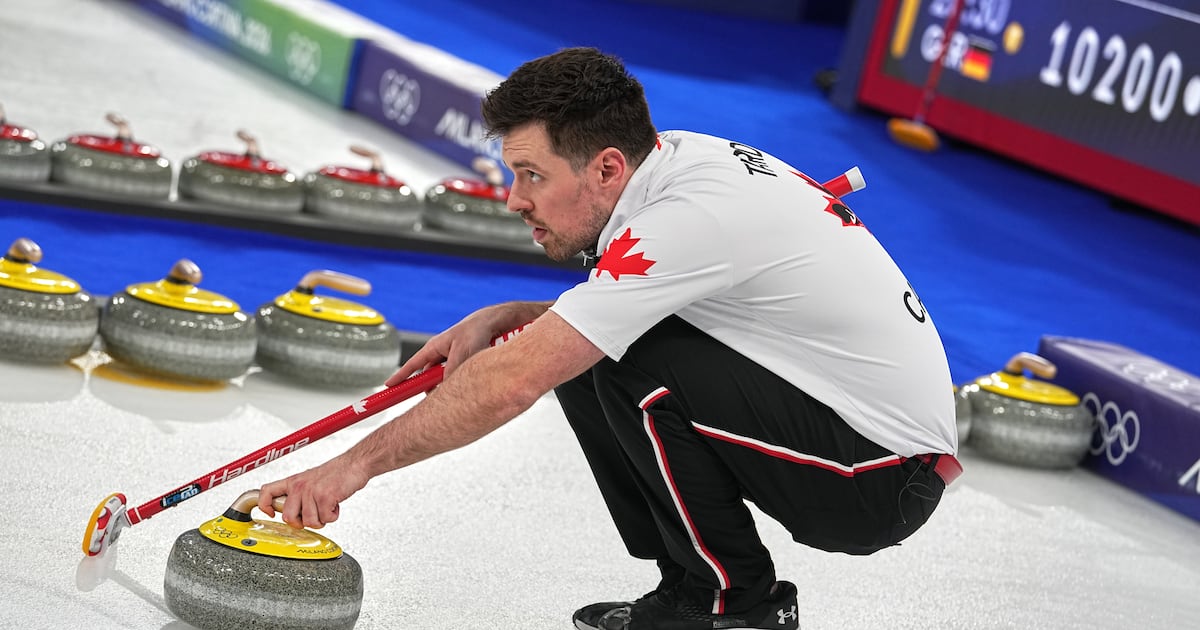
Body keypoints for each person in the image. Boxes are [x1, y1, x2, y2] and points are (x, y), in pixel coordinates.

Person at [258, 46, 960, 630]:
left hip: (876, 479)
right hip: (854, 434)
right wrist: (508, 315)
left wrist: (347, 469)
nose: (513, 198)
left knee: (622, 356)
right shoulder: (676, 163)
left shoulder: (686, 218)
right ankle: (691, 585)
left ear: (607, 169)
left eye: (531, 175)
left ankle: (730, 606)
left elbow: (514, 381)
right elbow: (602, 316)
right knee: (594, 342)